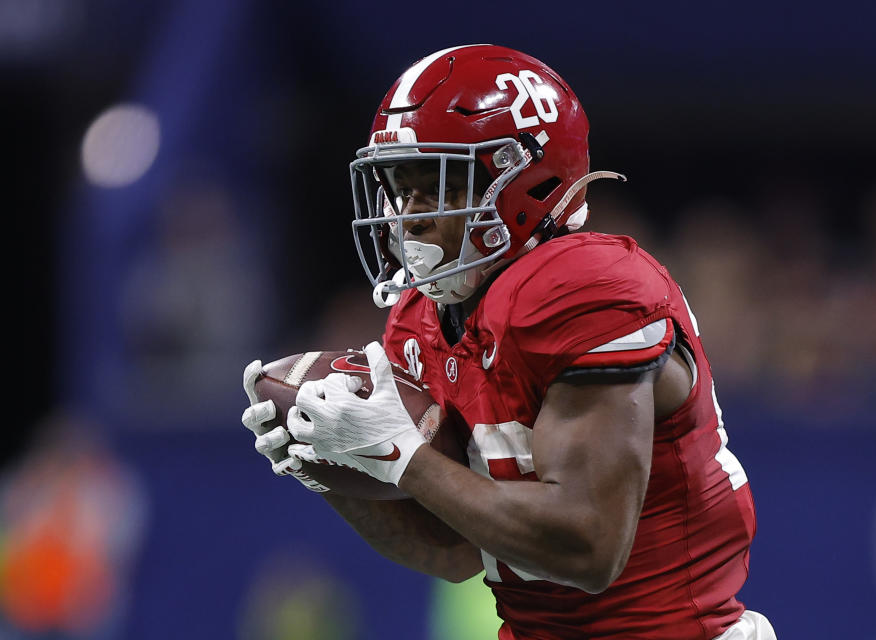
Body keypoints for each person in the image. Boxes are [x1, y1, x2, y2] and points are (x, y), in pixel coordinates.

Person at [242, 45, 776, 640]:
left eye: (438, 187)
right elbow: (451, 551)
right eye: (402, 188)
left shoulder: (584, 288)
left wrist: (404, 458)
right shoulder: (420, 320)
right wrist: (332, 457)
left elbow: (588, 548)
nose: (409, 218)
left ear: (525, 181)